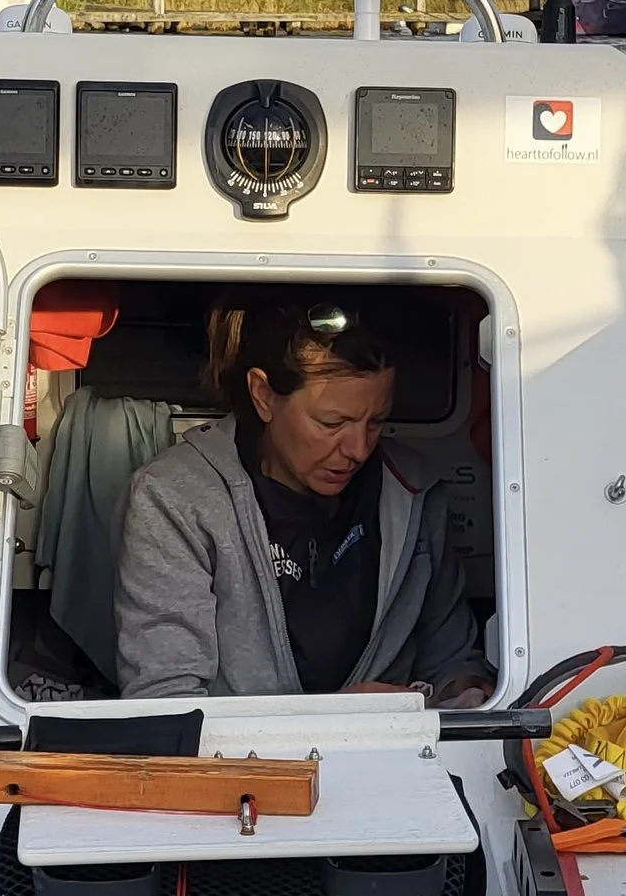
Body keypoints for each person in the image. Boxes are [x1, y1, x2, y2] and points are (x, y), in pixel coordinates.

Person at [113, 295, 491, 702]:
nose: (359, 449)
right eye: (333, 423)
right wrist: (334, 719)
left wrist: (466, 690)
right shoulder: (176, 498)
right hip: (241, 763)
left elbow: (452, 660)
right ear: (263, 395)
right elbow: (166, 700)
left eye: (376, 421)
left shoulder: (414, 491)